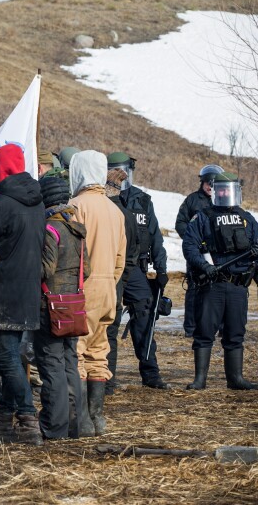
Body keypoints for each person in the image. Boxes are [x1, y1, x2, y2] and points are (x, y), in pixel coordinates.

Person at [0, 144, 44, 446]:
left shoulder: (2, 203)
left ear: (1, 170)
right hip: (27, 292)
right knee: (11, 356)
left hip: (1, 293)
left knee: (7, 359)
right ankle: (4, 418)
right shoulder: (36, 202)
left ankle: (27, 419)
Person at [182, 172, 258, 390]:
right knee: (204, 332)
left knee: (235, 333)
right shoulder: (203, 216)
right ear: (215, 191)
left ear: (236, 192)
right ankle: (200, 379)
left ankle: (236, 379)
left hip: (238, 286)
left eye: (229, 189)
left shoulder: (248, 219)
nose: (225, 193)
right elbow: (189, 246)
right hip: (212, 285)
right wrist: (204, 265)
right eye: (221, 189)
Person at [69, 150, 125, 438]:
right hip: (107, 289)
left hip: (83, 287)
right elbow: (120, 259)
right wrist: (109, 282)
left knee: (77, 349)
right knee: (99, 350)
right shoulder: (115, 210)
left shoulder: (76, 206)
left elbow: (72, 251)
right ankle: (98, 417)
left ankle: (81, 421)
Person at [109, 152, 170, 389]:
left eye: (124, 171)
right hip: (111, 265)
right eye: (115, 171)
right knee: (109, 318)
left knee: (145, 314)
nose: (121, 176)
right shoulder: (102, 198)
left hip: (136, 268)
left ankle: (150, 373)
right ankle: (105, 378)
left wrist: (161, 268)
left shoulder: (143, 200)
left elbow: (155, 236)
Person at [34, 176, 89, 439]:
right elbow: (85, 270)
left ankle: (54, 428)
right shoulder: (76, 229)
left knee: (51, 365)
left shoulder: (49, 228)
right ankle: (75, 426)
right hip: (73, 307)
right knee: (70, 363)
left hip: (51, 307)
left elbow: (46, 269)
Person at [176, 165, 224, 337]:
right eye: (207, 183)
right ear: (202, 183)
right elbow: (180, 223)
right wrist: (193, 241)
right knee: (195, 288)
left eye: (213, 184)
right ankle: (191, 327)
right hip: (198, 253)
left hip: (219, 253)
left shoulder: (223, 200)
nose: (210, 187)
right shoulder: (192, 200)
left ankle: (222, 326)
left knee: (222, 287)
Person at [104, 168, 140, 396]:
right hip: (116, 283)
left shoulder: (106, 212)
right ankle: (107, 382)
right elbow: (133, 255)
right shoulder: (128, 215)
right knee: (110, 335)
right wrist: (121, 280)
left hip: (99, 282)